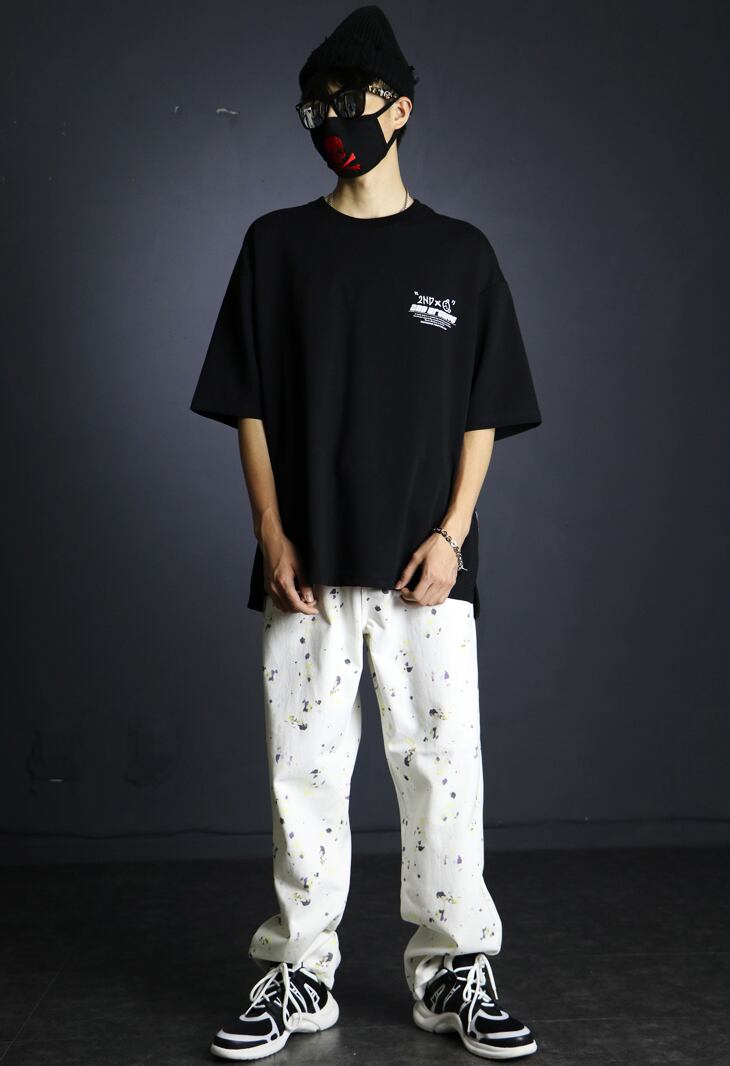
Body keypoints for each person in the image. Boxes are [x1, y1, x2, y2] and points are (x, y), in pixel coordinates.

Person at [189, 5, 542, 1060]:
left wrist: (453, 535)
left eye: (352, 100)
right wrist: (271, 532)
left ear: (401, 109)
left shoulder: (460, 255)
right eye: (317, 107)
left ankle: (453, 970)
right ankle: (299, 971)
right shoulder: (277, 246)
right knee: (302, 777)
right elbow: (250, 403)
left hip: (425, 570)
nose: (334, 120)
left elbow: (483, 411)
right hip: (305, 569)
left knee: (445, 771)